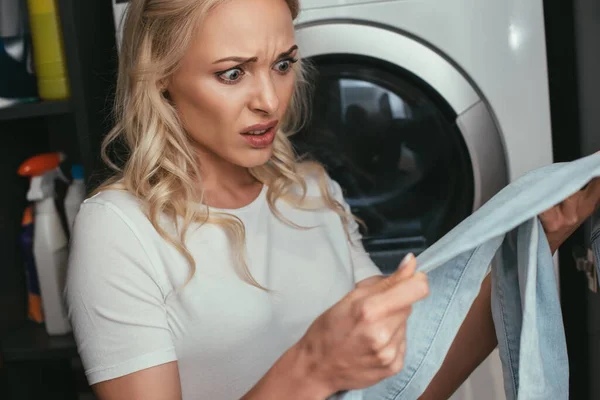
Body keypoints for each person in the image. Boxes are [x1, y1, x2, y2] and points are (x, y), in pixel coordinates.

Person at [65, 0, 600, 399]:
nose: (270, 100)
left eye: (282, 63)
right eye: (232, 73)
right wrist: (313, 366)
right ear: (160, 81)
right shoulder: (119, 230)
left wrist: (542, 234)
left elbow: (408, 382)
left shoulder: (311, 194)